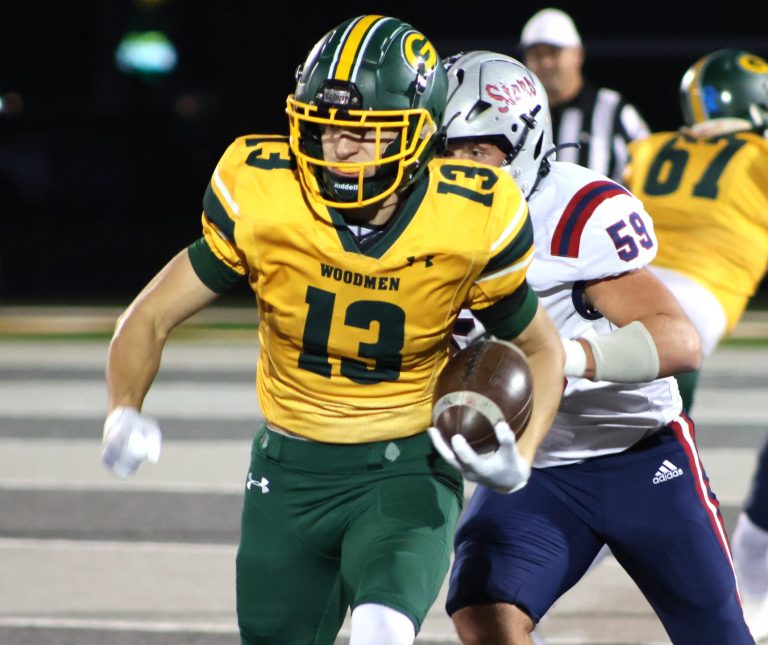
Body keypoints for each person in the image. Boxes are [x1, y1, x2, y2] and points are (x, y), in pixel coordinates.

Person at [100, 16, 565, 645]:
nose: (338, 149)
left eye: (363, 132)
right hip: (287, 471)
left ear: (419, 132)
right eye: (324, 127)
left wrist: (523, 455)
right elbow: (149, 314)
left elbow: (540, 345)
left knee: (381, 631)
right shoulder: (267, 193)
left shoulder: (470, 214)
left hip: (406, 468)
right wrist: (123, 409)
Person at [431, 50, 753, 644]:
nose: (458, 169)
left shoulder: (573, 212)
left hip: (640, 454)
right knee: (482, 611)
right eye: (444, 151)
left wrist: (561, 358)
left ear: (523, 142)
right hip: (540, 472)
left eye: (477, 151)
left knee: (720, 637)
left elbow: (679, 339)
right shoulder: (421, 224)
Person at [624, 48, 768, 640]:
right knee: (650, 472)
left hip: (620, 292)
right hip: (689, 308)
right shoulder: (758, 156)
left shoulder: (649, 148)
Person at [518, 7, 650, 183]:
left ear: (577, 54)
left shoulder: (613, 110)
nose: (546, 62)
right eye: (536, 54)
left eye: (553, 53)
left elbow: (648, 169)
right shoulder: (517, 112)